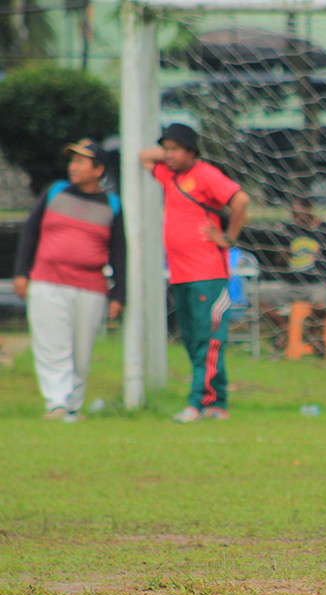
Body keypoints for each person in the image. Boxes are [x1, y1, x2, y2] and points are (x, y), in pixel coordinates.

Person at [139, 123, 250, 423]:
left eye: (175, 149)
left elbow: (240, 200)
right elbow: (144, 157)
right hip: (181, 275)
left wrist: (228, 238)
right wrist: (166, 154)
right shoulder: (170, 175)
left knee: (208, 341)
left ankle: (195, 405)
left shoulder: (205, 175)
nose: (168, 155)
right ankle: (217, 403)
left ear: (191, 151)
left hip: (208, 274)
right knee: (192, 340)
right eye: (167, 148)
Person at [14, 139, 126, 423]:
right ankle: (57, 403)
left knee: (81, 349)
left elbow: (119, 251)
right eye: (72, 161)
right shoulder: (55, 192)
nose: (73, 167)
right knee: (52, 345)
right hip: (48, 280)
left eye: (81, 161)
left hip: (90, 287)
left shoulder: (112, 204)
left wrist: (119, 294)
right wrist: (21, 272)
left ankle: (73, 406)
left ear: (98, 169)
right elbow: (30, 232)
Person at [260, 196, 326, 355]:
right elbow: (281, 262)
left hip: (317, 284)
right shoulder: (289, 230)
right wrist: (283, 256)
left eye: (298, 213)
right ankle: (287, 331)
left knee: (322, 303)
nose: (295, 217)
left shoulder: (325, 229)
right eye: (292, 214)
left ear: (309, 210)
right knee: (260, 297)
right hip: (291, 284)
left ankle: (310, 334)